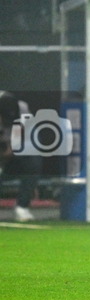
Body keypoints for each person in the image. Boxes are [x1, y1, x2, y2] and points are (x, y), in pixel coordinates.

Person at [0, 91, 42, 222]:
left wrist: (11, 149)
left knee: (33, 162)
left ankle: (22, 207)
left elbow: (22, 131)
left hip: (16, 146)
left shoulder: (21, 107)